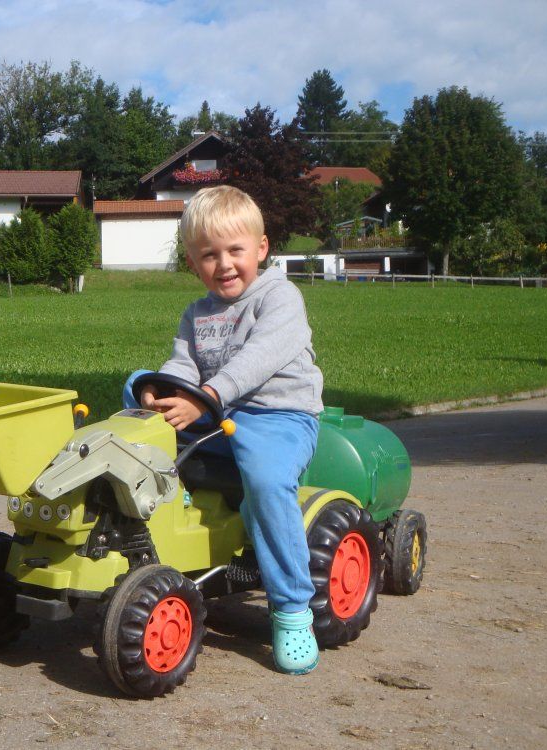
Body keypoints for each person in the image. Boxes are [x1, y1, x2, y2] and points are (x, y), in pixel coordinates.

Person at [122, 185, 324, 675]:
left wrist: (205, 397)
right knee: (132, 408)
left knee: (267, 482)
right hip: (216, 415)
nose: (225, 264)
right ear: (193, 262)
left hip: (277, 418)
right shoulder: (197, 313)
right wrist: (161, 391)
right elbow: (183, 365)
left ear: (261, 248)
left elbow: (258, 361)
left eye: (236, 250)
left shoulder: (279, 296)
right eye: (209, 255)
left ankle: (293, 606)